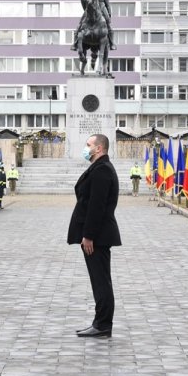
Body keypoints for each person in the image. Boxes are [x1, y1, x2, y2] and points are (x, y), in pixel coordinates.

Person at [68, 133, 121, 338]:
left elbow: (96, 206)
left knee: (101, 282)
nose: (85, 147)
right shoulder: (98, 167)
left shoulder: (102, 170)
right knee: (99, 281)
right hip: (97, 235)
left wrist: (88, 235)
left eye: (88, 144)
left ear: (99, 148)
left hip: (97, 237)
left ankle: (103, 324)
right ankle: (100, 322)